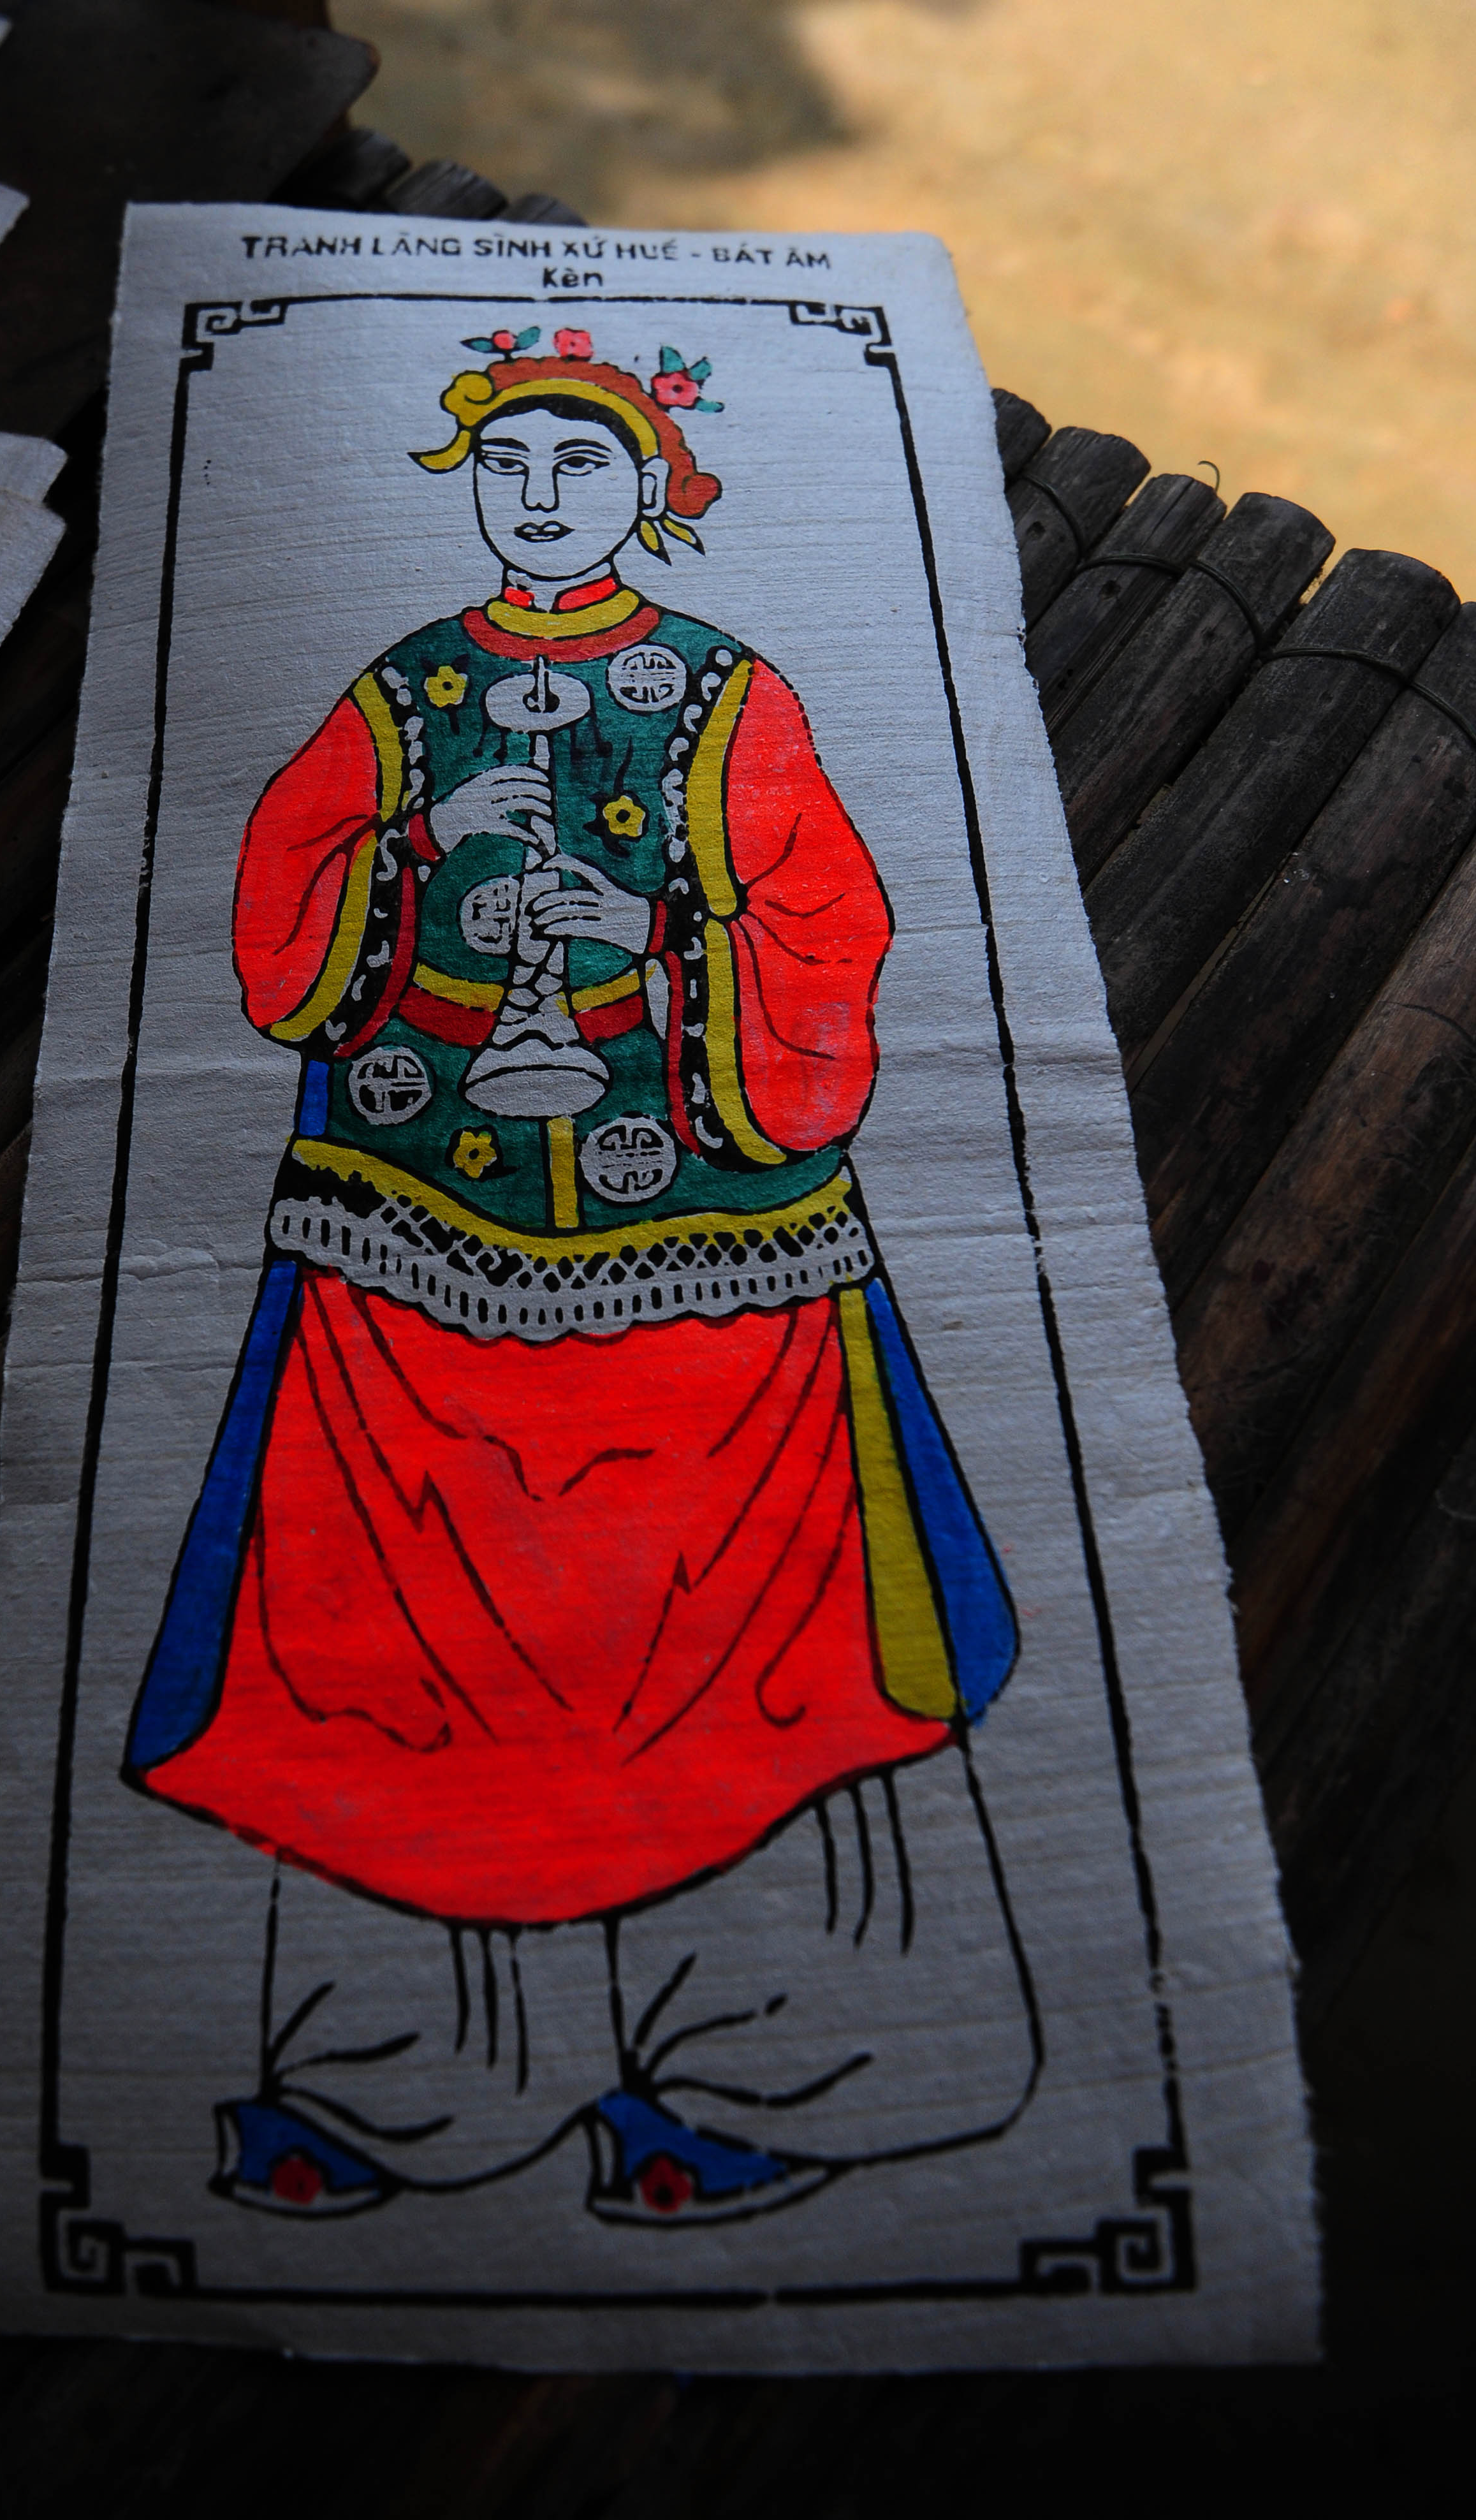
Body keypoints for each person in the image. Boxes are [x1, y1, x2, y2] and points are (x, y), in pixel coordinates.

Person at [124, 328, 1037, 2225]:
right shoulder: (405, 694)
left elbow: (827, 921)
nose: (541, 499)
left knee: (752, 1652)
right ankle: (405, 2082)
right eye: (509, 464)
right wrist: (415, 846)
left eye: (582, 464)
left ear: (650, 495)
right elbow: (280, 910)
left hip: (705, 1248)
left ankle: (788, 2063)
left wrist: (658, 932)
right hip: (415, 1226)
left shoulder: (727, 695)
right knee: (399, 1647)